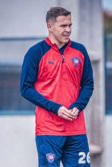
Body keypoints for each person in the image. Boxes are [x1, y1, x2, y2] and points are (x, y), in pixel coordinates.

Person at [20, 7, 94, 167]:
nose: (68, 30)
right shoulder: (35, 53)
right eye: (63, 26)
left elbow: (88, 84)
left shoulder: (80, 51)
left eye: (70, 25)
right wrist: (56, 108)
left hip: (77, 130)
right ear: (50, 26)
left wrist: (78, 106)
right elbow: (25, 88)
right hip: (48, 130)